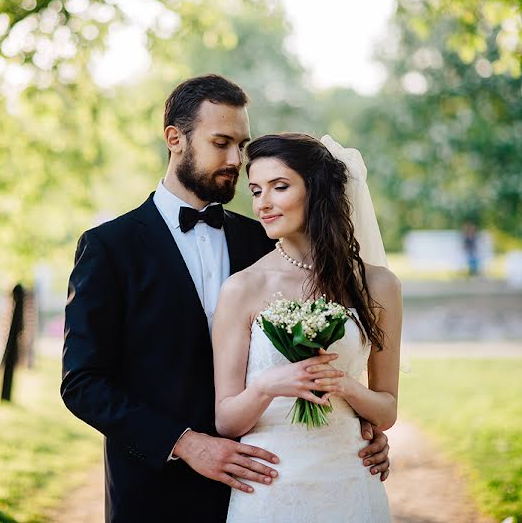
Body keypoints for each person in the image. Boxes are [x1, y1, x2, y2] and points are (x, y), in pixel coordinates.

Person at [61, 75, 390, 523]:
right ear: (175, 139)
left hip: (268, 485)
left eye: (242, 144)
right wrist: (185, 443)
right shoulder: (109, 248)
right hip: (157, 489)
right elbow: (83, 383)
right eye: (222, 143)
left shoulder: (267, 238)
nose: (237, 160)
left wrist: (358, 426)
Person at [214, 133, 400, 522]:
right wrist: (267, 385)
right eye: (256, 190)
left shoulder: (380, 285)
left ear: (316, 191)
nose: (262, 203)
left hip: (351, 480)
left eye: (279, 187)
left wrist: (343, 385)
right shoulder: (243, 288)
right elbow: (227, 420)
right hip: (270, 486)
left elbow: (386, 411)